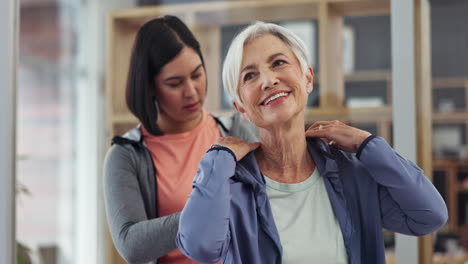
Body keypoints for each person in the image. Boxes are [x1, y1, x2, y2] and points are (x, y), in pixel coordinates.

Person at [176, 21, 448, 264]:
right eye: (250, 75)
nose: (269, 80)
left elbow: (429, 215)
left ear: (307, 78)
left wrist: (368, 144)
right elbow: (200, 247)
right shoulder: (232, 186)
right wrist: (219, 157)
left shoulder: (351, 174)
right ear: (241, 107)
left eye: (279, 63)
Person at [103, 15, 257, 264]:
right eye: (175, 83)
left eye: (197, 75)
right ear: (150, 87)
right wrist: (205, 207)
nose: (192, 91)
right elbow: (131, 245)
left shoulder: (237, 130)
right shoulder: (126, 155)